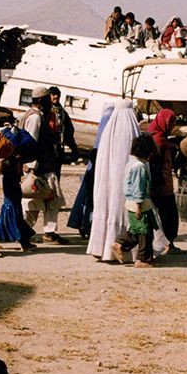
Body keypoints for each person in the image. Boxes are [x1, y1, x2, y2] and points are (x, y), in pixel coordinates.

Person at [87, 100, 145, 261]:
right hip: (126, 186)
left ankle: (102, 248)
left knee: (108, 206)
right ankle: (126, 250)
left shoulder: (108, 131)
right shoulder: (132, 130)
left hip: (107, 184)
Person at [21, 87, 66, 245]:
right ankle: (27, 232)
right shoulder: (35, 118)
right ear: (41, 100)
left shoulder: (36, 115)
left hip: (42, 166)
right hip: (40, 167)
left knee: (48, 200)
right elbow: (31, 142)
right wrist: (31, 167)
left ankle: (47, 231)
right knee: (35, 202)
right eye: (47, 99)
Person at [67, 102, 115, 238]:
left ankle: (83, 224)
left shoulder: (103, 122)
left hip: (92, 167)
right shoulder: (110, 124)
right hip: (99, 167)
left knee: (87, 199)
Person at [110, 134, 159, 268]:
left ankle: (123, 245)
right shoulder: (139, 167)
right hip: (140, 203)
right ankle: (141, 258)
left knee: (138, 229)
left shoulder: (131, 163)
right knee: (144, 232)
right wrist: (139, 206)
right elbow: (138, 187)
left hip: (133, 201)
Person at [146, 109, 184, 255]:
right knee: (169, 215)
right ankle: (169, 244)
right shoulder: (159, 141)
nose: (173, 125)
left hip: (160, 184)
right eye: (171, 122)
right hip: (162, 185)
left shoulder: (155, 136)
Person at [0, 151, 37, 251]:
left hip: (14, 196)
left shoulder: (14, 166)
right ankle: (22, 242)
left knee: (12, 218)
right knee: (13, 218)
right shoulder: (9, 171)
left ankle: (22, 241)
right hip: (11, 197)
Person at [47, 87, 79, 163]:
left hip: (58, 146)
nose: (56, 96)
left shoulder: (63, 113)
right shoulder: (45, 110)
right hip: (46, 146)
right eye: (53, 94)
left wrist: (73, 147)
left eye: (58, 94)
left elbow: (69, 130)